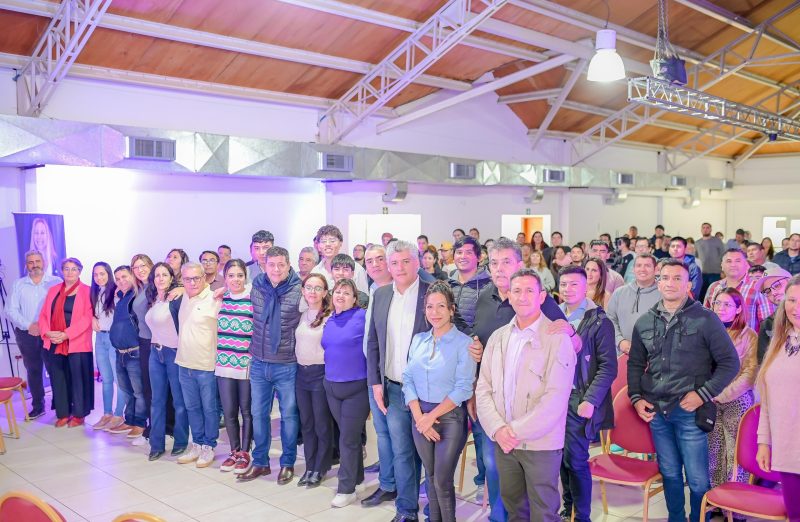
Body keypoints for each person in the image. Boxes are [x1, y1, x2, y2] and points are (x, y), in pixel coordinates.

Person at [472, 238, 578, 522]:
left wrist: (513, 431)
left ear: (542, 296)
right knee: (514, 508)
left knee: (543, 510)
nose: (521, 297)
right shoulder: (498, 336)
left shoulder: (556, 336)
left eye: (529, 291)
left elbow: (555, 398)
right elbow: (484, 387)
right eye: (516, 291)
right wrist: (498, 429)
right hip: (503, 439)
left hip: (539, 442)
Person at [628, 259, 740, 522]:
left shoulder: (706, 319)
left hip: (690, 412)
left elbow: (730, 363)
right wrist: (635, 397)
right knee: (669, 473)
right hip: (657, 412)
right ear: (658, 283)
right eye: (665, 278)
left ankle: (698, 518)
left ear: (688, 284)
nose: (670, 283)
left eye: (677, 278)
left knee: (698, 479)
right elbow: (635, 364)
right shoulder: (644, 321)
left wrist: (702, 394)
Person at [367, 239, 429, 522]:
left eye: (406, 261)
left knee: (429, 455)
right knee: (402, 452)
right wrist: (375, 382)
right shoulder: (381, 295)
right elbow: (373, 341)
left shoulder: (431, 292)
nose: (400, 268)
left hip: (427, 392)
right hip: (393, 388)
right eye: (394, 263)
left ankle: (438, 509)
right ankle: (406, 510)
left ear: (417, 262)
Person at [403, 282, 476, 522]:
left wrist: (430, 417)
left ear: (452, 310)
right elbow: (407, 379)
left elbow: (463, 388)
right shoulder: (418, 340)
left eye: (441, 306)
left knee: (442, 480)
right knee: (431, 475)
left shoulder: (464, 343)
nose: (435, 312)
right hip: (420, 417)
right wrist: (419, 417)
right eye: (430, 307)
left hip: (449, 418)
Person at [557, 266, 616, 522]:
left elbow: (608, 367)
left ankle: (582, 516)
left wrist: (590, 400)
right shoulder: (553, 316)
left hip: (579, 398)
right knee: (560, 456)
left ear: (585, 288)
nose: (568, 289)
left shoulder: (599, 321)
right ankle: (567, 508)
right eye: (563, 284)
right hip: (554, 399)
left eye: (574, 284)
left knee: (576, 459)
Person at [239, 246, 302, 485]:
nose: (276, 269)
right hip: (258, 362)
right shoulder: (257, 285)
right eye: (271, 265)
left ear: (288, 265)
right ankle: (260, 462)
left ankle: (287, 463)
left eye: (281, 265)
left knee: (289, 416)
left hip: (286, 364)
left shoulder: (299, 290)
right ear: (264, 265)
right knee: (258, 414)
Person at [321, 279, 370, 507]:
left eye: (346, 293)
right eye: (338, 291)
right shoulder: (330, 319)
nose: (341, 295)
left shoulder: (362, 317)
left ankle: (346, 488)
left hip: (356, 388)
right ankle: (357, 479)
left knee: (347, 439)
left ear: (355, 298)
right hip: (332, 386)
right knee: (349, 437)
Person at [756, 275, 800, 522]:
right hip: (787, 451)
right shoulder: (780, 341)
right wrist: (764, 442)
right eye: (791, 300)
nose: (796, 308)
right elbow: (768, 400)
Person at [708, 288, 757, 493]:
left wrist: (722, 395)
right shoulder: (707, 330)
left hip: (737, 401)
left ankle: (735, 501)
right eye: (717, 303)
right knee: (714, 451)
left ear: (738, 309)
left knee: (735, 452)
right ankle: (716, 495)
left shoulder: (749, 335)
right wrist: (708, 393)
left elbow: (750, 373)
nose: (721, 308)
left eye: (727, 304)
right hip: (709, 400)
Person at [361, 244, 399, 508]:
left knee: (396, 435)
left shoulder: (400, 290)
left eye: (379, 259)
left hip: (393, 375)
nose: (374, 264)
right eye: (369, 260)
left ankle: (394, 483)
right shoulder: (374, 290)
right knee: (382, 432)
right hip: (373, 372)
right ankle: (388, 480)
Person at [5, 250, 62, 419]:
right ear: (26, 265)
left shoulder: (56, 282)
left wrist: (46, 327)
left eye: (37, 261)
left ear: (43, 262)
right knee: (33, 370)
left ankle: (60, 404)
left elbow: (61, 308)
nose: (34, 264)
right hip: (26, 334)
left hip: (50, 334)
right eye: (31, 262)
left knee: (55, 369)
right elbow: (10, 310)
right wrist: (28, 325)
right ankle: (38, 406)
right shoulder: (18, 285)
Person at [175, 262, 221, 468]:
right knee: (192, 407)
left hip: (206, 365)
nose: (192, 283)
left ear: (204, 278)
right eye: (187, 279)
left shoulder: (215, 298)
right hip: (184, 363)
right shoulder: (183, 297)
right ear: (182, 280)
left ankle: (209, 446)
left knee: (209, 409)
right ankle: (197, 443)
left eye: (196, 278)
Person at [37, 257, 94, 427]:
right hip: (54, 341)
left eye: (74, 269)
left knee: (78, 379)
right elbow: (44, 315)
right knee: (58, 377)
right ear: (62, 271)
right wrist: (47, 332)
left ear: (80, 271)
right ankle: (62, 413)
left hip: (77, 342)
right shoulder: (53, 290)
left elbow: (87, 318)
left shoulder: (87, 291)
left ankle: (79, 414)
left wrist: (66, 334)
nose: (70, 272)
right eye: (66, 269)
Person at [144, 262, 189, 461]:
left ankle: (180, 441)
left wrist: (182, 288)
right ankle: (156, 444)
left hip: (173, 353)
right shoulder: (153, 298)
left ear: (172, 277)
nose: (160, 278)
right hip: (155, 353)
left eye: (164, 275)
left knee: (179, 401)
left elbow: (196, 291)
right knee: (157, 401)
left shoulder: (178, 297)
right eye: (157, 275)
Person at [215, 259, 254, 474]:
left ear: (245, 277)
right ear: (225, 277)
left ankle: (246, 452)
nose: (236, 279)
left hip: (246, 364)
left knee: (246, 411)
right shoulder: (220, 298)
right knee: (229, 411)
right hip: (224, 362)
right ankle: (234, 451)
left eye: (240, 275)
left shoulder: (252, 298)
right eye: (231, 275)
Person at [295, 273, 334, 488]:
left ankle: (321, 467)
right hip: (301, 374)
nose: (313, 292)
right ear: (303, 290)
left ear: (325, 292)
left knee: (321, 424)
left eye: (318, 288)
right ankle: (309, 466)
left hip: (320, 374)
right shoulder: (302, 314)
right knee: (307, 423)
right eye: (309, 287)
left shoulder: (330, 316)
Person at [108, 265, 147, 439]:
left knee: (139, 391)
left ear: (133, 276)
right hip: (120, 352)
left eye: (124, 277)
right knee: (126, 390)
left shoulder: (138, 295)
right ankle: (129, 419)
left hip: (134, 352)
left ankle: (140, 423)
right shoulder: (122, 298)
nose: (121, 281)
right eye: (117, 278)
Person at [89, 262, 128, 430]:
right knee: (106, 379)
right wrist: (92, 318)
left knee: (119, 380)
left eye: (102, 274)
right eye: (95, 274)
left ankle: (119, 415)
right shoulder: (95, 292)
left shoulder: (117, 291)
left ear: (109, 274)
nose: (99, 277)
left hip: (114, 339)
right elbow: (93, 313)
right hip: (100, 339)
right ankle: (107, 414)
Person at [704, 249, 774, 332]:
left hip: (748, 339)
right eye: (729, 261)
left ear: (746, 265)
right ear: (722, 265)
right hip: (715, 337)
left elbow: (768, 325)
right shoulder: (714, 287)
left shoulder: (759, 287)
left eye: (737, 261)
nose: (733, 265)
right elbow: (705, 317)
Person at [606, 254, 661, 354]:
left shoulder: (663, 295)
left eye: (647, 266)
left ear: (656, 269)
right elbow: (610, 319)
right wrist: (620, 341)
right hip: (621, 353)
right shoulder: (619, 293)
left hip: (653, 355)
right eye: (639, 265)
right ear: (633, 269)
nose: (642, 269)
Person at [130, 254, 156, 444]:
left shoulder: (155, 287)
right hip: (144, 341)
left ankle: (155, 430)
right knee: (148, 388)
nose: (140, 270)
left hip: (154, 342)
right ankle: (152, 428)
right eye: (136, 267)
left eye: (143, 265)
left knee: (153, 389)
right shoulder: (140, 289)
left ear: (150, 265)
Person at [449, 236, 492, 330]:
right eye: (459, 252)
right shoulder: (447, 285)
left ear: (479, 257)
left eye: (468, 252)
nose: (463, 256)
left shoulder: (490, 286)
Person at [312, 225, 369, 294]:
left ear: (341, 243)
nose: (328, 244)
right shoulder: (315, 271)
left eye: (332, 241)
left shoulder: (357, 269)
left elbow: (363, 297)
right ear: (318, 245)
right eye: (323, 241)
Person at [756, 267, 790, 364]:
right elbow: (762, 362)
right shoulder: (768, 324)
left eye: (777, 285)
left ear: (790, 282)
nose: (773, 293)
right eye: (768, 291)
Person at [696, 222, 726, 300]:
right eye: (703, 228)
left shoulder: (717, 241)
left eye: (707, 228)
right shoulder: (697, 243)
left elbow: (724, 256)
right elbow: (696, 258)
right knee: (701, 295)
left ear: (711, 229)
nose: (705, 229)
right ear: (701, 230)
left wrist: (723, 271)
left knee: (714, 294)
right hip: (702, 274)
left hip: (715, 273)